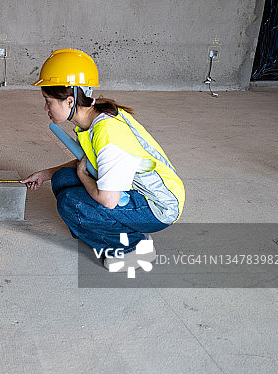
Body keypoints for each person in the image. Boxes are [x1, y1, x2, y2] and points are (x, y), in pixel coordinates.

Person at [21, 49, 184, 272]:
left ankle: (133, 248)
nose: (46, 108)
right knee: (60, 179)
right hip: (137, 191)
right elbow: (88, 161)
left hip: (158, 206)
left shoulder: (108, 135)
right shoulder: (94, 116)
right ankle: (101, 229)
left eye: (48, 101)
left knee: (72, 202)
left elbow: (108, 200)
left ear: (70, 101)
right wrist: (45, 174)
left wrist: (82, 176)